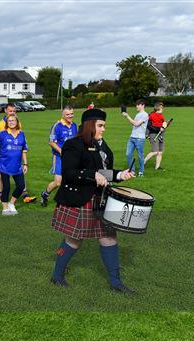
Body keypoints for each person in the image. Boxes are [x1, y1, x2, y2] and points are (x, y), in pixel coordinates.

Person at [49, 108, 135, 293]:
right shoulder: (73, 144)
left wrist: (120, 174)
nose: (104, 129)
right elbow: (69, 172)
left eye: (104, 125)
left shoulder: (102, 146)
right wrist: (92, 175)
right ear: (90, 125)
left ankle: (115, 282)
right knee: (74, 239)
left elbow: (103, 171)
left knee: (109, 236)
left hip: (101, 199)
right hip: (80, 199)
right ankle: (57, 276)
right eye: (100, 125)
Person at [0, 103, 36, 203]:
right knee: (1, 174)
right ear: (5, 111)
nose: (13, 113)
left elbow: (20, 139)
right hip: (3, 153)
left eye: (14, 111)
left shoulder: (17, 122)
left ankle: (24, 195)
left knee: (19, 172)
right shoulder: (0, 125)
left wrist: (24, 158)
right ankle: (0, 195)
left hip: (16, 152)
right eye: (10, 111)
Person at [0, 114, 28, 216]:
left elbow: (24, 150)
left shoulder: (22, 134)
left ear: (17, 122)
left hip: (17, 166)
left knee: (21, 186)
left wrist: (25, 164)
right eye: (9, 121)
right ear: (7, 123)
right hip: (4, 165)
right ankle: (5, 209)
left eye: (13, 120)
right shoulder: (3, 134)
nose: (11, 122)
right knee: (7, 187)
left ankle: (11, 203)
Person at [41, 106, 78, 207]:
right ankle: (45, 194)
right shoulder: (57, 126)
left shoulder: (74, 126)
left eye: (72, 114)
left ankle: (67, 200)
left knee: (72, 179)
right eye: (68, 114)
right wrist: (62, 151)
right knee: (58, 182)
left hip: (72, 158)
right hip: (59, 157)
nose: (70, 116)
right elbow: (51, 142)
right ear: (63, 115)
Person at [122, 98, 148, 177]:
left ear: (143, 105)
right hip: (132, 137)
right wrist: (127, 117)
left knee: (140, 155)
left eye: (138, 105)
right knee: (128, 154)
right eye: (136, 105)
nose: (136, 106)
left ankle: (141, 171)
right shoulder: (137, 114)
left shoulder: (145, 115)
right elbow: (134, 124)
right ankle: (132, 171)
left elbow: (136, 124)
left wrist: (127, 116)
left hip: (140, 139)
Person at [144, 101, 167, 170]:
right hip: (153, 135)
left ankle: (157, 167)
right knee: (154, 152)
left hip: (161, 135)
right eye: (161, 107)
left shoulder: (162, 116)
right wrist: (147, 134)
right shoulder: (151, 116)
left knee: (160, 152)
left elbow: (162, 127)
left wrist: (164, 126)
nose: (162, 109)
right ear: (159, 108)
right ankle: (142, 163)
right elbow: (149, 126)